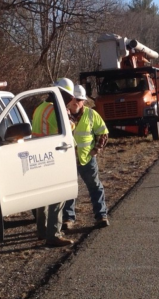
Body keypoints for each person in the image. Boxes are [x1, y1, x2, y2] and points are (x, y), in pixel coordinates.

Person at [33, 77, 75, 247]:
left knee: (42, 196)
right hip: (53, 156)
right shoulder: (54, 110)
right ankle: (53, 234)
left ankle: (42, 231)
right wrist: (71, 121)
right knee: (58, 196)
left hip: (39, 156)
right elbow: (67, 128)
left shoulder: (39, 108)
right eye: (68, 97)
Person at [63, 84, 110, 229]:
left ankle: (101, 216)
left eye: (79, 99)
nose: (75, 102)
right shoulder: (62, 115)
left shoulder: (91, 114)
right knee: (68, 190)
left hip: (87, 159)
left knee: (95, 186)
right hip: (67, 160)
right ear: (69, 100)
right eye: (73, 99)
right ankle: (68, 219)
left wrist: (96, 149)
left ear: (83, 101)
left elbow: (103, 133)